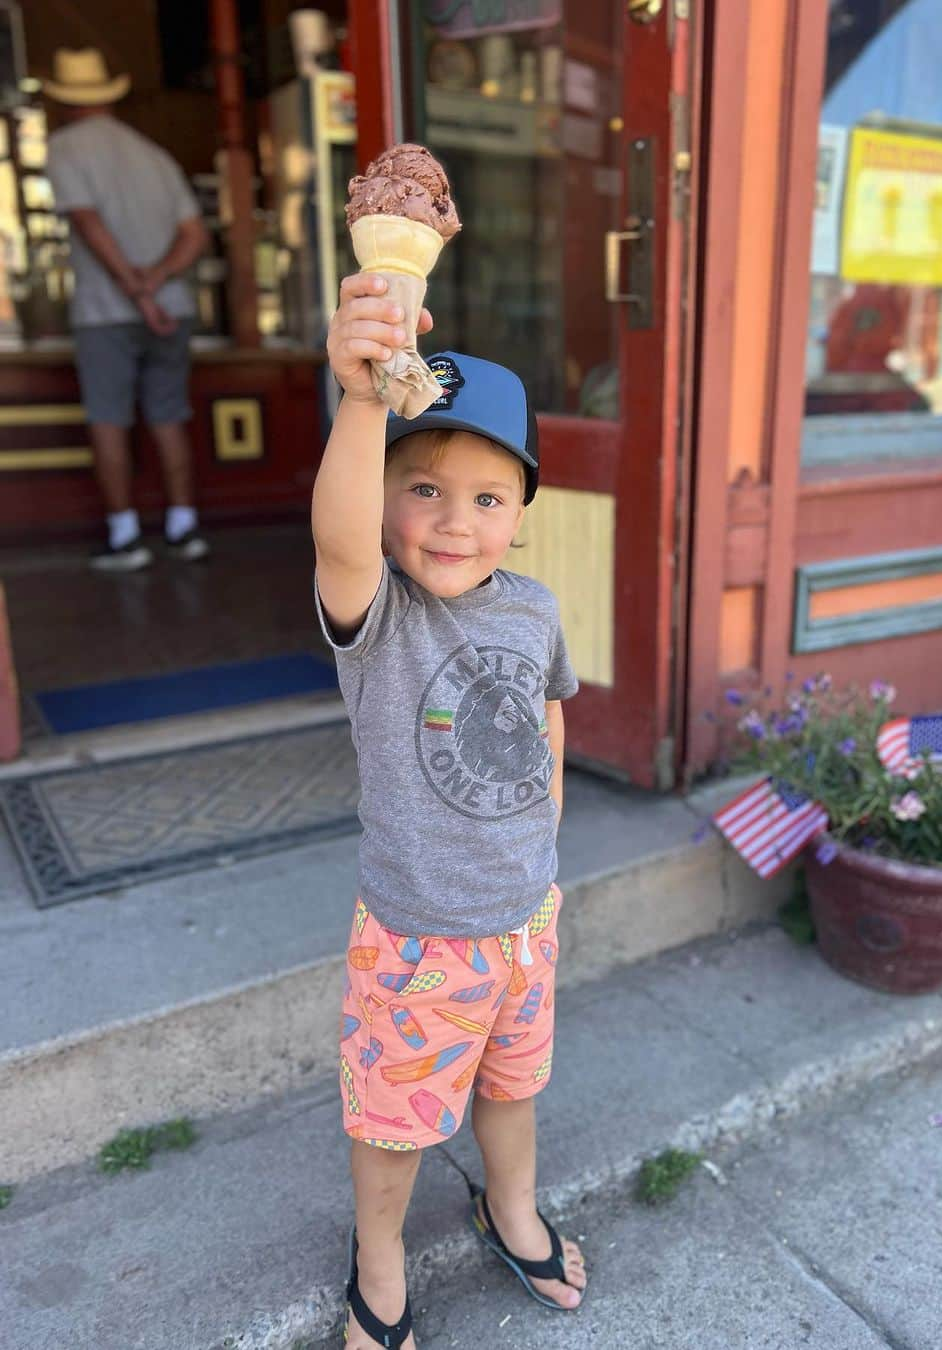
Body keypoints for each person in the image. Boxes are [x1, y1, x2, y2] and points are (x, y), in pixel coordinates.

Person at [315, 273, 588, 1350]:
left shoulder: (533, 606)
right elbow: (340, 541)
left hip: (525, 923)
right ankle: (377, 1255)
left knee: (513, 1088)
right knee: (392, 1125)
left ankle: (507, 1205)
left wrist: (549, 829)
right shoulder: (376, 611)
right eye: (422, 488)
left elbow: (551, 710)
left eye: (486, 496)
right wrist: (363, 398)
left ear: (521, 513)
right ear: (381, 500)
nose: (455, 520)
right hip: (418, 935)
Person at [43, 48, 211, 571]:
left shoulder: (65, 147)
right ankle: (183, 529)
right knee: (168, 416)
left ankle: (126, 537)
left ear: (65, 100)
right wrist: (157, 284)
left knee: (109, 419)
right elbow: (195, 235)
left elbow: (91, 227)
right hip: (172, 307)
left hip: (105, 312)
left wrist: (136, 293)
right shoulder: (153, 154)